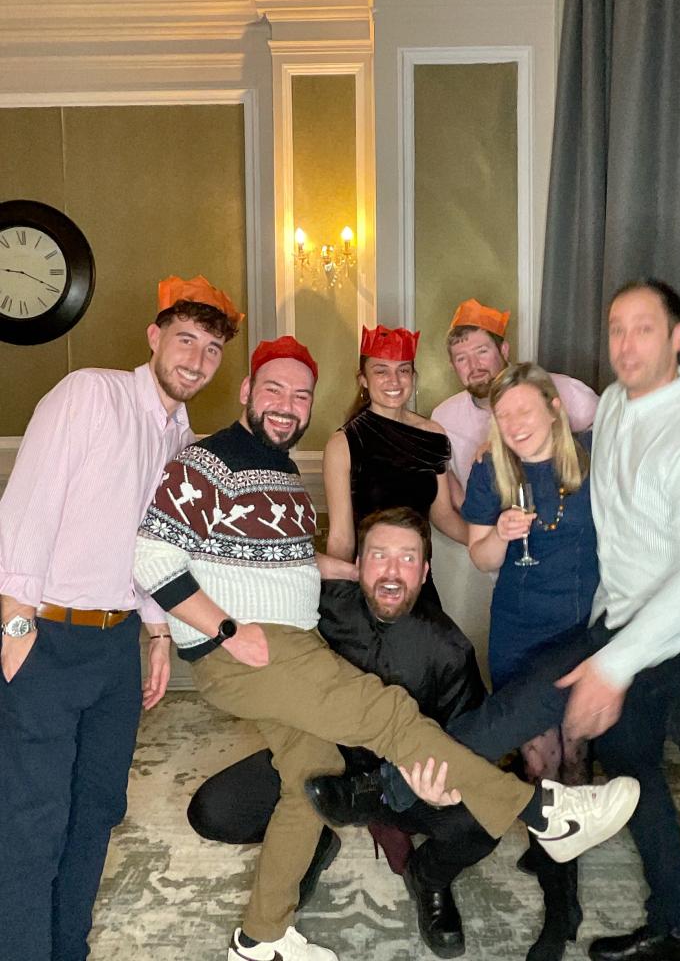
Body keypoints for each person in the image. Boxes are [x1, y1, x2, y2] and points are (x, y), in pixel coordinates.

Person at [133, 335, 639, 961]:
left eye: (301, 395)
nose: (288, 405)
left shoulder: (281, 473)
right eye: (274, 390)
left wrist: (353, 569)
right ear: (246, 391)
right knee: (385, 712)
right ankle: (542, 813)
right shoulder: (206, 460)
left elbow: (287, 560)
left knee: (308, 777)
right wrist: (225, 629)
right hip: (253, 645)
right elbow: (151, 556)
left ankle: (259, 937)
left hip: (282, 642)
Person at [419, 279, 680, 961]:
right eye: (617, 329)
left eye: (643, 328)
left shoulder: (658, 440)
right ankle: (637, 920)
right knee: (583, 763)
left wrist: (614, 666)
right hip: (576, 621)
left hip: (639, 626)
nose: (625, 343)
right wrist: (498, 528)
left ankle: (403, 786)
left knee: (554, 741)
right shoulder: (606, 412)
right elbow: (484, 549)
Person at [0, 273, 242, 961]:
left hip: (116, 647)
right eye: (186, 339)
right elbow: (29, 506)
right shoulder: (90, 394)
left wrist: (158, 631)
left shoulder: (181, 438)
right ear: (154, 336)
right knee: (32, 817)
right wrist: (15, 622)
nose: (196, 359)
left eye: (212, 349)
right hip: (46, 636)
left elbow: (151, 546)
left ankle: (66, 947)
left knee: (97, 807)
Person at [188, 506, 497, 959]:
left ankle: (428, 878)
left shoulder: (449, 648)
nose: (391, 572)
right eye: (379, 555)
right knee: (213, 812)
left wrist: (440, 783)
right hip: (319, 764)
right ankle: (313, 837)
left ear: (425, 571)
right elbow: (254, 574)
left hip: (397, 785)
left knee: (485, 818)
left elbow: (470, 743)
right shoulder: (314, 608)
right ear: (358, 563)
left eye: (407, 558)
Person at [462, 362, 597, 961]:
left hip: (581, 631)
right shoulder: (490, 470)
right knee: (540, 760)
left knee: (576, 752)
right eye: (504, 414)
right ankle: (561, 904)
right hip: (518, 631)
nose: (515, 423)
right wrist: (500, 533)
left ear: (552, 408)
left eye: (524, 409)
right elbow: (481, 557)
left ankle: (560, 866)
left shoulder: (592, 460)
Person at [429, 299, 599, 677]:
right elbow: (451, 505)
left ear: (504, 349)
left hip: (580, 603)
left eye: (482, 351)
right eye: (461, 358)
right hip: (513, 600)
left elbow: (620, 436)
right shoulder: (449, 424)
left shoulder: (572, 401)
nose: (473, 365)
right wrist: (496, 535)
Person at [323, 324, 467, 605]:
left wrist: (489, 541)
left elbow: (443, 514)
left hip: (418, 577)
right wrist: (338, 600)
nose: (394, 380)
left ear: (413, 376)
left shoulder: (433, 434)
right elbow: (341, 538)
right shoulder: (343, 444)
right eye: (381, 371)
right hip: (369, 583)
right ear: (363, 379)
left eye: (403, 370)